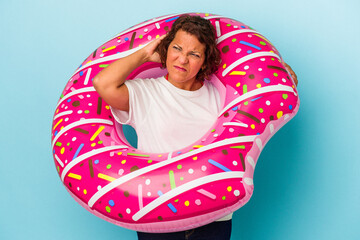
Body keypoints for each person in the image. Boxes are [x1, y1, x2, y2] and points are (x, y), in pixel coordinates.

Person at [93, 15, 298, 240]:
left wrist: (277, 74)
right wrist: (144, 54)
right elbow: (103, 84)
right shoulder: (144, 92)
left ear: (205, 59)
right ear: (165, 48)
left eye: (194, 54)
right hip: (160, 216)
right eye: (177, 48)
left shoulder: (221, 95)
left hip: (213, 216)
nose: (182, 59)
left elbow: (261, 102)